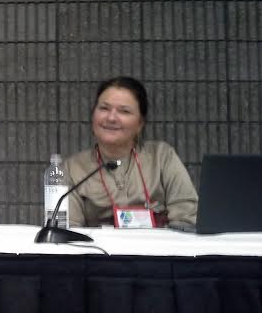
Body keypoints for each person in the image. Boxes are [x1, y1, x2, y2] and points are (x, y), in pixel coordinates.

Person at [64, 76, 197, 230]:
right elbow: (68, 231)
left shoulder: (162, 157)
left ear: (140, 123)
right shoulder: (72, 168)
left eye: (124, 111)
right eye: (104, 108)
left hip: (158, 251)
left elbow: (187, 218)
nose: (111, 117)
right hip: (99, 252)